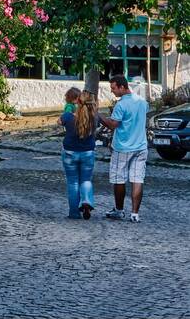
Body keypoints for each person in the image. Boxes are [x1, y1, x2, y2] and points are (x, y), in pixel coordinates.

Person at [98, 75, 148, 223]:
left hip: (123, 147)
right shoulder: (142, 102)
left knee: (119, 179)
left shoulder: (121, 105)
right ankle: (135, 214)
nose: (112, 91)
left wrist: (99, 116)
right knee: (137, 179)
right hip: (141, 146)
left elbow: (113, 124)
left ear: (122, 87)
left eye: (113, 88)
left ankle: (119, 211)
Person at [59, 88, 96, 219]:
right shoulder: (94, 117)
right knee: (86, 180)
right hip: (87, 153)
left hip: (70, 152)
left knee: (72, 183)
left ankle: (74, 213)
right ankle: (86, 200)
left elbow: (59, 122)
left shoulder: (68, 116)